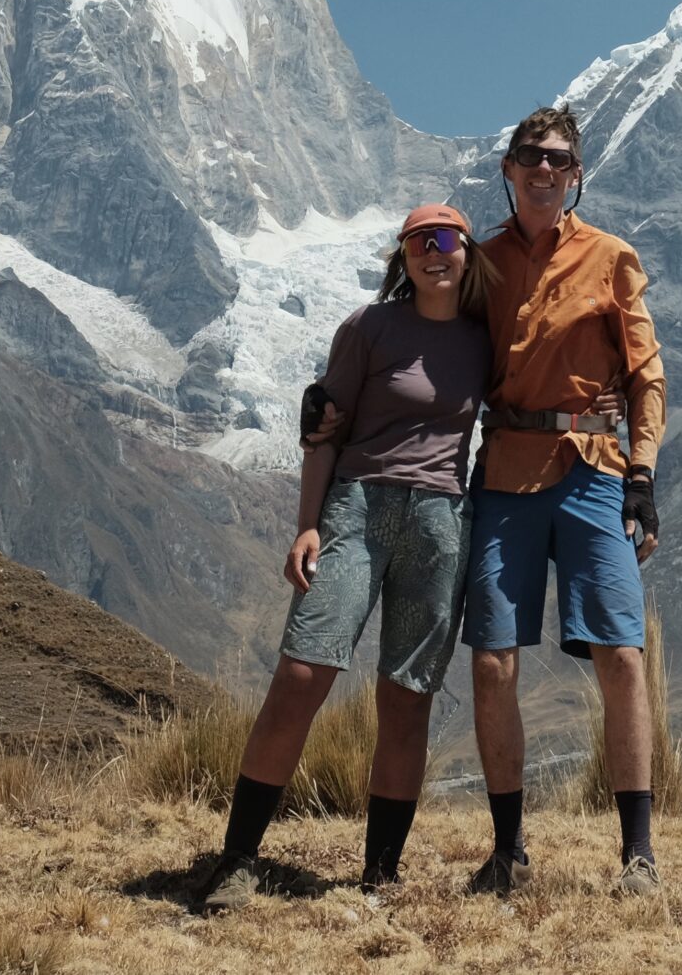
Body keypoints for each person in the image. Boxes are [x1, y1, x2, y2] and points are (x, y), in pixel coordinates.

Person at [195, 203, 493, 911]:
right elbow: (323, 429)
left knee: (406, 697)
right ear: (404, 254)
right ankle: (237, 858)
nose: (433, 251)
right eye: (419, 240)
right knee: (303, 671)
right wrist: (306, 526)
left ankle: (380, 875)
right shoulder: (369, 327)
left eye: (445, 238)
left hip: (442, 519)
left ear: (467, 251)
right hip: (358, 508)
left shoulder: (487, 340)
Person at [462, 104, 669, 898]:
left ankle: (639, 856)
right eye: (528, 156)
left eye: (557, 158)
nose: (543, 169)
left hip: (593, 469)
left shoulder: (613, 257)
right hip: (507, 470)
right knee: (491, 664)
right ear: (508, 170)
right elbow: (440, 354)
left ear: (576, 174)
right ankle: (509, 850)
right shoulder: (480, 262)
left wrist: (641, 476)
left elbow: (646, 374)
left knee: (621, 656)